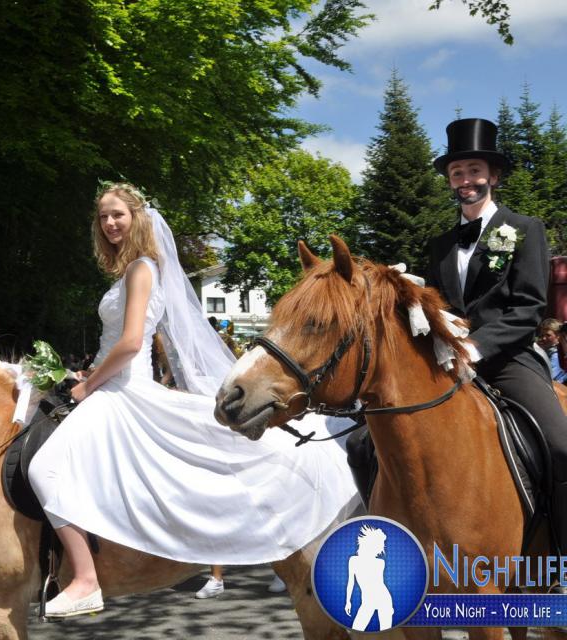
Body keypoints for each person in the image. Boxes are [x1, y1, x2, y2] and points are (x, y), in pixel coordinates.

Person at [28, 182, 356, 617]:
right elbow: (118, 343)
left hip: (121, 389)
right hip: (111, 383)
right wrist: (88, 373)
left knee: (44, 469)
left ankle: (85, 579)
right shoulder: (132, 271)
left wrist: (89, 387)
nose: (109, 223)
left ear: (137, 218)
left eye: (118, 214)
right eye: (103, 216)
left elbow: (131, 343)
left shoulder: (141, 268)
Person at [428, 118, 567, 556]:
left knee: (562, 446)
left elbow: (529, 308)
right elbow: (437, 305)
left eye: (474, 170)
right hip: (449, 363)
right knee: (365, 442)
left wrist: (477, 345)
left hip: (509, 361)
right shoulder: (440, 244)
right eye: (457, 172)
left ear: (493, 176)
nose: (465, 180)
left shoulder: (524, 228)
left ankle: (562, 559)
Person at [538, 318, 567, 384]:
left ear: (558, 336)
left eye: (548, 335)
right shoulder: (543, 349)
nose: (543, 338)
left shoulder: (556, 354)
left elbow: (552, 377)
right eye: (542, 335)